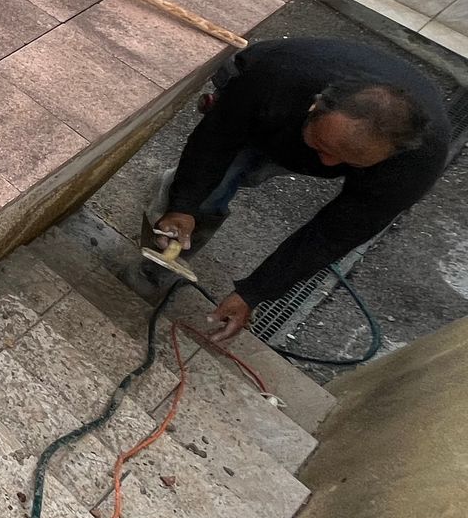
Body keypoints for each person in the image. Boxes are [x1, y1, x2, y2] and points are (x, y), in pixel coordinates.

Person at [150, 36, 450, 346]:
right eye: (324, 148)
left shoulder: (415, 163)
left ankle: (205, 191)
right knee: (219, 179)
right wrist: (184, 203)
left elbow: (334, 234)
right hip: (263, 93)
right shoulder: (275, 77)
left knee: (253, 172)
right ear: (314, 106)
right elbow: (216, 138)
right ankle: (170, 235)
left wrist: (255, 292)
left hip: (300, 124)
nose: (328, 164)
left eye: (348, 163)